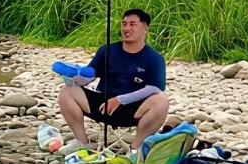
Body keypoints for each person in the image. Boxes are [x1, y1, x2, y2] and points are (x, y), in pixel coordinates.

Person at [57, 8, 170, 150]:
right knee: (67, 92)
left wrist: (121, 99)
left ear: (145, 27)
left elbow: (154, 88)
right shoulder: (107, 50)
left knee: (161, 100)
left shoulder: (154, 58)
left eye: (132, 24)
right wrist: (73, 78)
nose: (126, 28)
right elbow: (89, 77)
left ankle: (136, 148)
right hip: (103, 105)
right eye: (124, 24)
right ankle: (81, 142)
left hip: (133, 108)